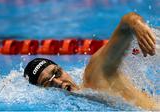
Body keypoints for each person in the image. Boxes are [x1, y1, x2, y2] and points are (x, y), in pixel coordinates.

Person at [24, 12, 159, 110]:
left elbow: (126, 23)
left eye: (57, 73)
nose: (59, 83)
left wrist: (134, 22)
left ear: (62, 68)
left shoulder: (94, 76)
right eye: (48, 83)